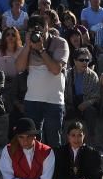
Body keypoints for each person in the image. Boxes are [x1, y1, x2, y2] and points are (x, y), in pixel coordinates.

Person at [15, 13, 68, 147]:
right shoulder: (28, 45)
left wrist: (41, 49)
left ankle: (56, 168)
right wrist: (27, 46)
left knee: (54, 141)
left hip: (54, 101)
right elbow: (19, 68)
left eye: (41, 28)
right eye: (34, 30)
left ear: (47, 27)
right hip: (32, 100)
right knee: (33, 143)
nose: (38, 33)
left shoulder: (60, 43)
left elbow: (56, 70)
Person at [65, 48, 100, 141]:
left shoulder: (93, 75)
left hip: (86, 104)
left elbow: (96, 95)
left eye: (87, 60)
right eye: (81, 60)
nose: (85, 62)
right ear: (75, 61)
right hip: (70, 104)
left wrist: (87, 103)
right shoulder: (67, 74)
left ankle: (91, 138)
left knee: (91, 111)